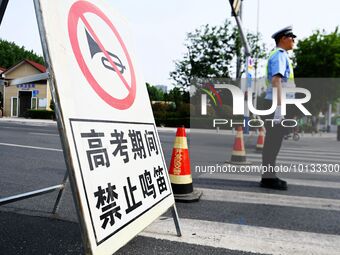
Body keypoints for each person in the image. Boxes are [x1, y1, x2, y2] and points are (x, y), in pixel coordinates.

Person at [260, 26, 297, 190]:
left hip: (275, 103)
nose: (294, 40)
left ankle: (269, 176)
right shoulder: (280, 55)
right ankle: (268, 178)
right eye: (291, 37)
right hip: (276, 104)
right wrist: (280, 108)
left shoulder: (280, 55)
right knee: (273, 142)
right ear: (283, 38)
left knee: (273, 142)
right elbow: (276, 81)